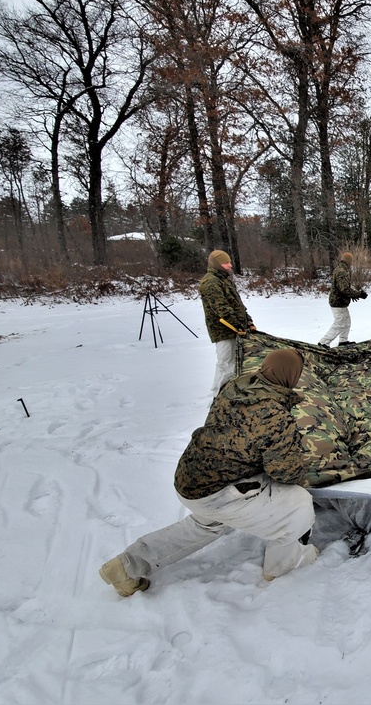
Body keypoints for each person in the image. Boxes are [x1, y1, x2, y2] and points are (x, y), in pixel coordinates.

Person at [99, 349, 319, 596]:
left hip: (191, 480)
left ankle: (126, 566)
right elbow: (286, 473)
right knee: (298, 504)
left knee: (205, 525)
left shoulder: (235, 388)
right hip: (221, 493)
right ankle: (283, 565)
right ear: (291, 375)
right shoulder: (274, 414)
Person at [199, 250, 254, 394]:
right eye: (225, 263)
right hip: (223, 331)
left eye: (229, 262)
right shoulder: (210, 282)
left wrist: (248, 321)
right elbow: (222, 309)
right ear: (217, 265)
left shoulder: (224, 280)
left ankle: (232, 391)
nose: (230, 265)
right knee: (225, 364)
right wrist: (237, 326)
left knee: (235, 363)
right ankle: (218, 395)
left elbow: (237, 305)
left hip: (236, 328)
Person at [319, 251, 367, 346]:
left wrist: (352, 295)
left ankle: (343, 341)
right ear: (349, 262)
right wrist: (358, 294)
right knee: (340, 323)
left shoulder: (340, 269)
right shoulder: (342, 272)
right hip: (338, 302)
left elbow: (344, 287)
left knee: (346, 322)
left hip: (340, 302)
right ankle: (323, 343)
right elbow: (344, 289)